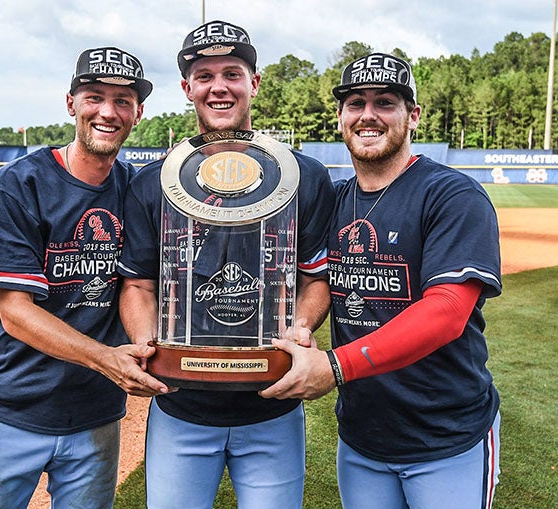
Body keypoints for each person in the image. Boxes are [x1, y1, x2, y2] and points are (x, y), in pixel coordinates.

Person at [261, 53, 502, 509]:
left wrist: (335, 366)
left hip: (447, 437)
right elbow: (305, 279)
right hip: (363, 437)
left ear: (412, 116)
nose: (367, 114)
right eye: (355, 103)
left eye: (385, 102)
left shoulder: (451, 195)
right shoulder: (336, 199)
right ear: (340, 117)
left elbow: (448, 311)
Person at [117, 20, 335, 509]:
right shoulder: (151, 183)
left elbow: (315, 277)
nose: (219, 86)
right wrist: (146, 343)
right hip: (181, 405)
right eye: (205, 74)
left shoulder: (306, 175)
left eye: (232, 73)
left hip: (273, 404)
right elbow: (138, 284)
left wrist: (299, 327)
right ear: (187, 88)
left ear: (253, 82)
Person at [0, 46, 167, 509]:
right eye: (94, 96)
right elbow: (15, 312)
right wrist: (105, 359)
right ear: (71, 102)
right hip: (12, 407)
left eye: (122, 100)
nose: (108, 112)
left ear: (138, 112)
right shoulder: (19, 185)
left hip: (95, 414)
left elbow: (145, 284)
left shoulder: (136, 191)